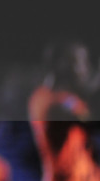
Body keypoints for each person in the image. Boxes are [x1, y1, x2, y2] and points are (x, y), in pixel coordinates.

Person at [28, 40, 100, 181]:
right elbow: (89, 119)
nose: (86, 69)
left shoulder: (71, 98)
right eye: (81, 62)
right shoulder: (45, 99)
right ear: (62, 65)